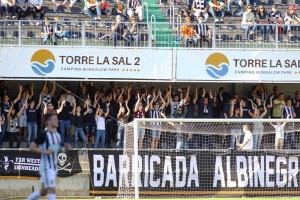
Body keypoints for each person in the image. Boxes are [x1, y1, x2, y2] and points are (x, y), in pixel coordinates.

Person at [27, 113, 71, 200]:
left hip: (53, 167)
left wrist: (64, 149)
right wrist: (44, 151)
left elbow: (56, 150)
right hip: (46, 167)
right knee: (52, 190)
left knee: (44, 191)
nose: (57, 121)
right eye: (54, 119)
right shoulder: (44, 135)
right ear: (48, 122)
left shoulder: (58, 136)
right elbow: (31, 147)